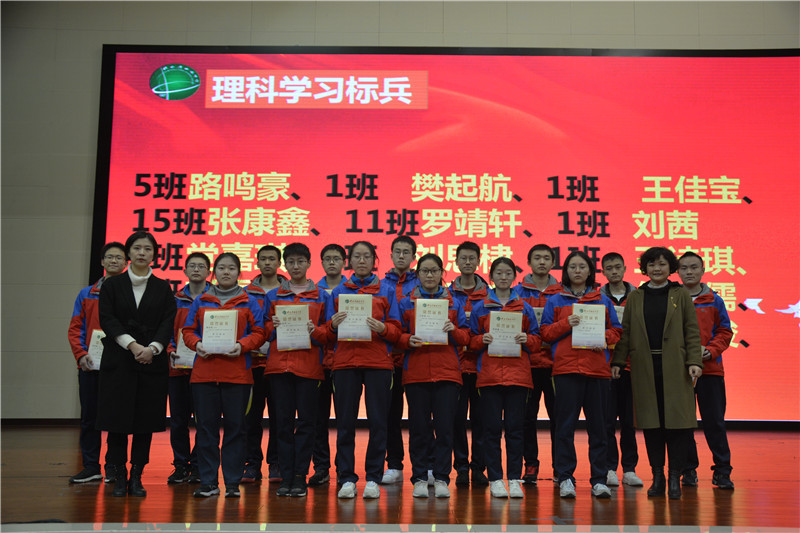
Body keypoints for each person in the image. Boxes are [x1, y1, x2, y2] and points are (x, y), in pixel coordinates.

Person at [612, 247, 703, 500]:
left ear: (670, 267)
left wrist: (694, 361)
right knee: (652, 424)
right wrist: (618, 360)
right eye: (651, 264)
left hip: (676, 367)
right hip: (644, 367)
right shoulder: (636, 296)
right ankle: (658, 477)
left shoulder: (680, 294)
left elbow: (691, 330)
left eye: (662, 264)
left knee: (677, 424)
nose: (657, 269)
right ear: (645, 269)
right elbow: (626, 332)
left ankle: (675, 477)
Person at [96, 231, 177, 498]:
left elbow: (167, 322)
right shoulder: (112, 285)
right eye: (137, 248)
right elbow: (107, 319)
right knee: (117, 422)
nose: (142, 253)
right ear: (128, 253)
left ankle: (137, 477)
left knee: (145, 423)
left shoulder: (163, 287)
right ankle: (119, 475)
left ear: (155, 254)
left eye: (148, 249)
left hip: (151, 362)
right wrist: (132, 345)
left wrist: (152, 348)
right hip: (119, 361)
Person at [182, 252, 266, 498]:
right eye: (221, 268)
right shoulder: (201, 301)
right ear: (214, 272)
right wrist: (197, 344)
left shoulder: (249, 301)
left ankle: (231, 482)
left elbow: (259, 332)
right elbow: (188, 330)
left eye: (231, 268)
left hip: (237, 375)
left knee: (236, 429)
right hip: (204, 375)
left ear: (239, 272)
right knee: (205, 430)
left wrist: (242, 345)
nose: (226, 272)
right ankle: (208, 482)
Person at [541, 251, 622, 499]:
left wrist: (603, 338)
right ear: (566, 271)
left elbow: (617, 331)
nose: (577, 271)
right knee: (564, 427)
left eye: (582, 267)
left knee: (599, 428)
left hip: (597, 371)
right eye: (573, 267)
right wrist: (566, 323)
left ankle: (599, 479)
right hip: (566, 371)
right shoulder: (555, 300)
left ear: (590, 271)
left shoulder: (603, 300)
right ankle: (565, 477)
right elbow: (545, 333)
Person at [325, 241, 402, 499]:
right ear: (349, 261)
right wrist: (332, 326)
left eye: (366, 256)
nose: (361, 260)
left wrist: (383, 329)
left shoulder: (387, 290)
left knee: (378, 422)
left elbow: (397, 330)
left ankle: (373, 478)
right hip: (345, 363)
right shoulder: (338, 292)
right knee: (345, 423)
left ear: (374, 261)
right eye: (356, 256)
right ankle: (347, 477)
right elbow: (324, 333)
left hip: (378, 363)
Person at [397, 253, 470, 498]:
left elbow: (466, 337)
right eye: (425, 271)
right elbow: (397, 334)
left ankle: (441, 478)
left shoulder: (454, 302)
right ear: (417, 274)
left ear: (442, 273)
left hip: (447, 373)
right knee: (419, 429)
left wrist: (453, 331)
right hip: (416, 373)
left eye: (434, 271)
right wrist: (407, 340)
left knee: (445, 429)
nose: (430, 275)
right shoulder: (406, 302)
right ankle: (419, 477)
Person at [469, 257, 541, 499]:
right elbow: (470, 341)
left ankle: (514, 479)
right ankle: (496, 479)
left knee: (515, 430)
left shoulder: (524, 307)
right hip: (489, 377)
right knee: (490, 430)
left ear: (514, 277)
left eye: (508, 273)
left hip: (518, 377)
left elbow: (537, 340)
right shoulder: (481, 307)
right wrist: (482, 340)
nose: (503, 277)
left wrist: (527, 339)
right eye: (498, 273)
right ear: (491, 277)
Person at [263, 243, 331, 497]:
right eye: (290, 262)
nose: (295, 266)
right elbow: (262, 331)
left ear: (309, 263)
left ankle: (300, 476)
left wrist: (316, 331)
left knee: (306, 424)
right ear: (285, 265)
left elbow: (330, 333)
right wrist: (272, 326)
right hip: (279, 367)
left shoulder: (322, 296)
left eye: (300, 261)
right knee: (282, 423)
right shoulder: (273, 296)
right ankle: (286, 476)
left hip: (309, 368)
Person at [67, 241, 128, 484]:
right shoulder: (86, 294)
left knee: (117, 418)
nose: (114, 261)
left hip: (120, 365)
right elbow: (75, 328)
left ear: (126, 263)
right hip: (91, 365)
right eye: (109, 257)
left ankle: (114, 466)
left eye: (118, 257)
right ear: (102, 261)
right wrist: (81, 354)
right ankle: (91, 466)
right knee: (89, 418)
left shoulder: (131, 293)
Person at [678, 251, 735, 490]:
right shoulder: (673, 298)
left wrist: (710, 351)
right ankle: (688, 470)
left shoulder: (714, 299)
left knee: (714, 422)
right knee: (683, 423)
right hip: (679, 372)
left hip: (710, 370)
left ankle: (722, 471)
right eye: (684, 268)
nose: (689, 272)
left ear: (703, 270)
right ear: (677, 272)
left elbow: (725, 331)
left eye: (694, 267)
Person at [513, 244, 561, 485]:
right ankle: (530, 465)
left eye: (546, 258)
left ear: (553, 263)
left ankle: (560, 467)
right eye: (537, 258)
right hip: (527, 365)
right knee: (526, 419)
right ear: (529, 262)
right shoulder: (516, 293)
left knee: (559, 419)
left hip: (556, 366)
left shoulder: (563, 293)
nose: (542, 262)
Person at [165, 252, 211, 484]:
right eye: (192, 266)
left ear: (208, 272)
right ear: (184, 271)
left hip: (206, 369)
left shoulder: (215, 299)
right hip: (177, 368)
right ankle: (181, 465)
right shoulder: (174, 300)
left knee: (205, 421)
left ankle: (199, 466)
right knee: (178, 421)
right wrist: (169, 350)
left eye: (201, 266)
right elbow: (165, 331)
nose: (196, 269)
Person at [598, 252, 643, 488]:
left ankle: (629, 469)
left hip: (631, 367)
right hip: (605, 367)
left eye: (618, 267)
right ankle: (608, 468)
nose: (614, 271)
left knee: (628, 422)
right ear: (603, 271)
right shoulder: (596, 298)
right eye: (609, 268)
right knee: (606, 422)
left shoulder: (639, 296)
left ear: (625, 269)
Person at [448, 241, 489, 487]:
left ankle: (478, 467)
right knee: (456, 420)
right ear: (456, 261)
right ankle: (461, 467)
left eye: (471, 258)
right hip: (455, 366)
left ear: (478, 261)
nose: (467, 262)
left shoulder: (491, 296)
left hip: (483, 367)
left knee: (481, 421)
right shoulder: (446, 295)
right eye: (463, 258)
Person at [380, 235, 419, 485]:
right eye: (397, 251)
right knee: (390, 415)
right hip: (389, 360)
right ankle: (394, 464)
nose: (402, 256)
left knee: (420, 416)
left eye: (406, 252)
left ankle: (424, 466)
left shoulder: (424, 282)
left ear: (414, 257)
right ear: (391, 255)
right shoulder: (381, 285)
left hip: (417, 358)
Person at [242, 245, 284, 483]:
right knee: (251, 418)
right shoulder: (245, 293)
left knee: (280, 417)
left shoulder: (288, 292)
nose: (267, 263)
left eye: (272, 259)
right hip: (252, 365)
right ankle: (252, 464)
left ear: (279, 263)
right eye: (263, 259)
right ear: (257, 263)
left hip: (279, 364)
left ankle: (276, 462)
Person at [309, 243, 347, 486]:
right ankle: (321, 467)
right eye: (327, 258)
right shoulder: (313, 292)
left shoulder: (352, 291)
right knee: (318, 419)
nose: (332, 262)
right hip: (318, 363)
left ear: (344, 262)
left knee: (345, 419)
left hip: (343, 362)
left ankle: (344, 468)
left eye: (336, 258)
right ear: (321, 263)